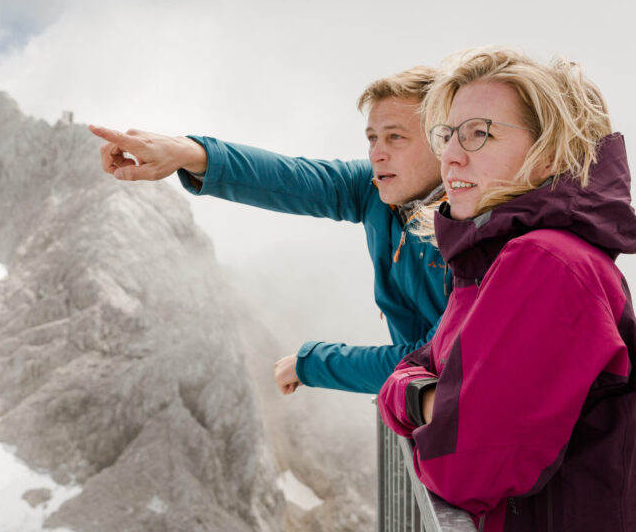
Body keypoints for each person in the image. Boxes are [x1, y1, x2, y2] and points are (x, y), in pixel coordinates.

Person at [377, 47, 636, 532]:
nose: (451, 156)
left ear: (549, 150)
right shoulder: (494, 264)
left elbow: (465, 466)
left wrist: (415, 398)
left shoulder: (546, 264)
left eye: (479, 133)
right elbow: (417, 369)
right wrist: (432, 396)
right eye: (446, 133)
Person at [89, 67, 452, 395]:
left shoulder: (473, 230)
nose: (377, 153)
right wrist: (186, 152)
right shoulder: (376, 191)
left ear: (442, 144)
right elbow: (289, 178)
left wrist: (311, 362)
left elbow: (437, 363)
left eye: (396, 137)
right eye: (372, 138)